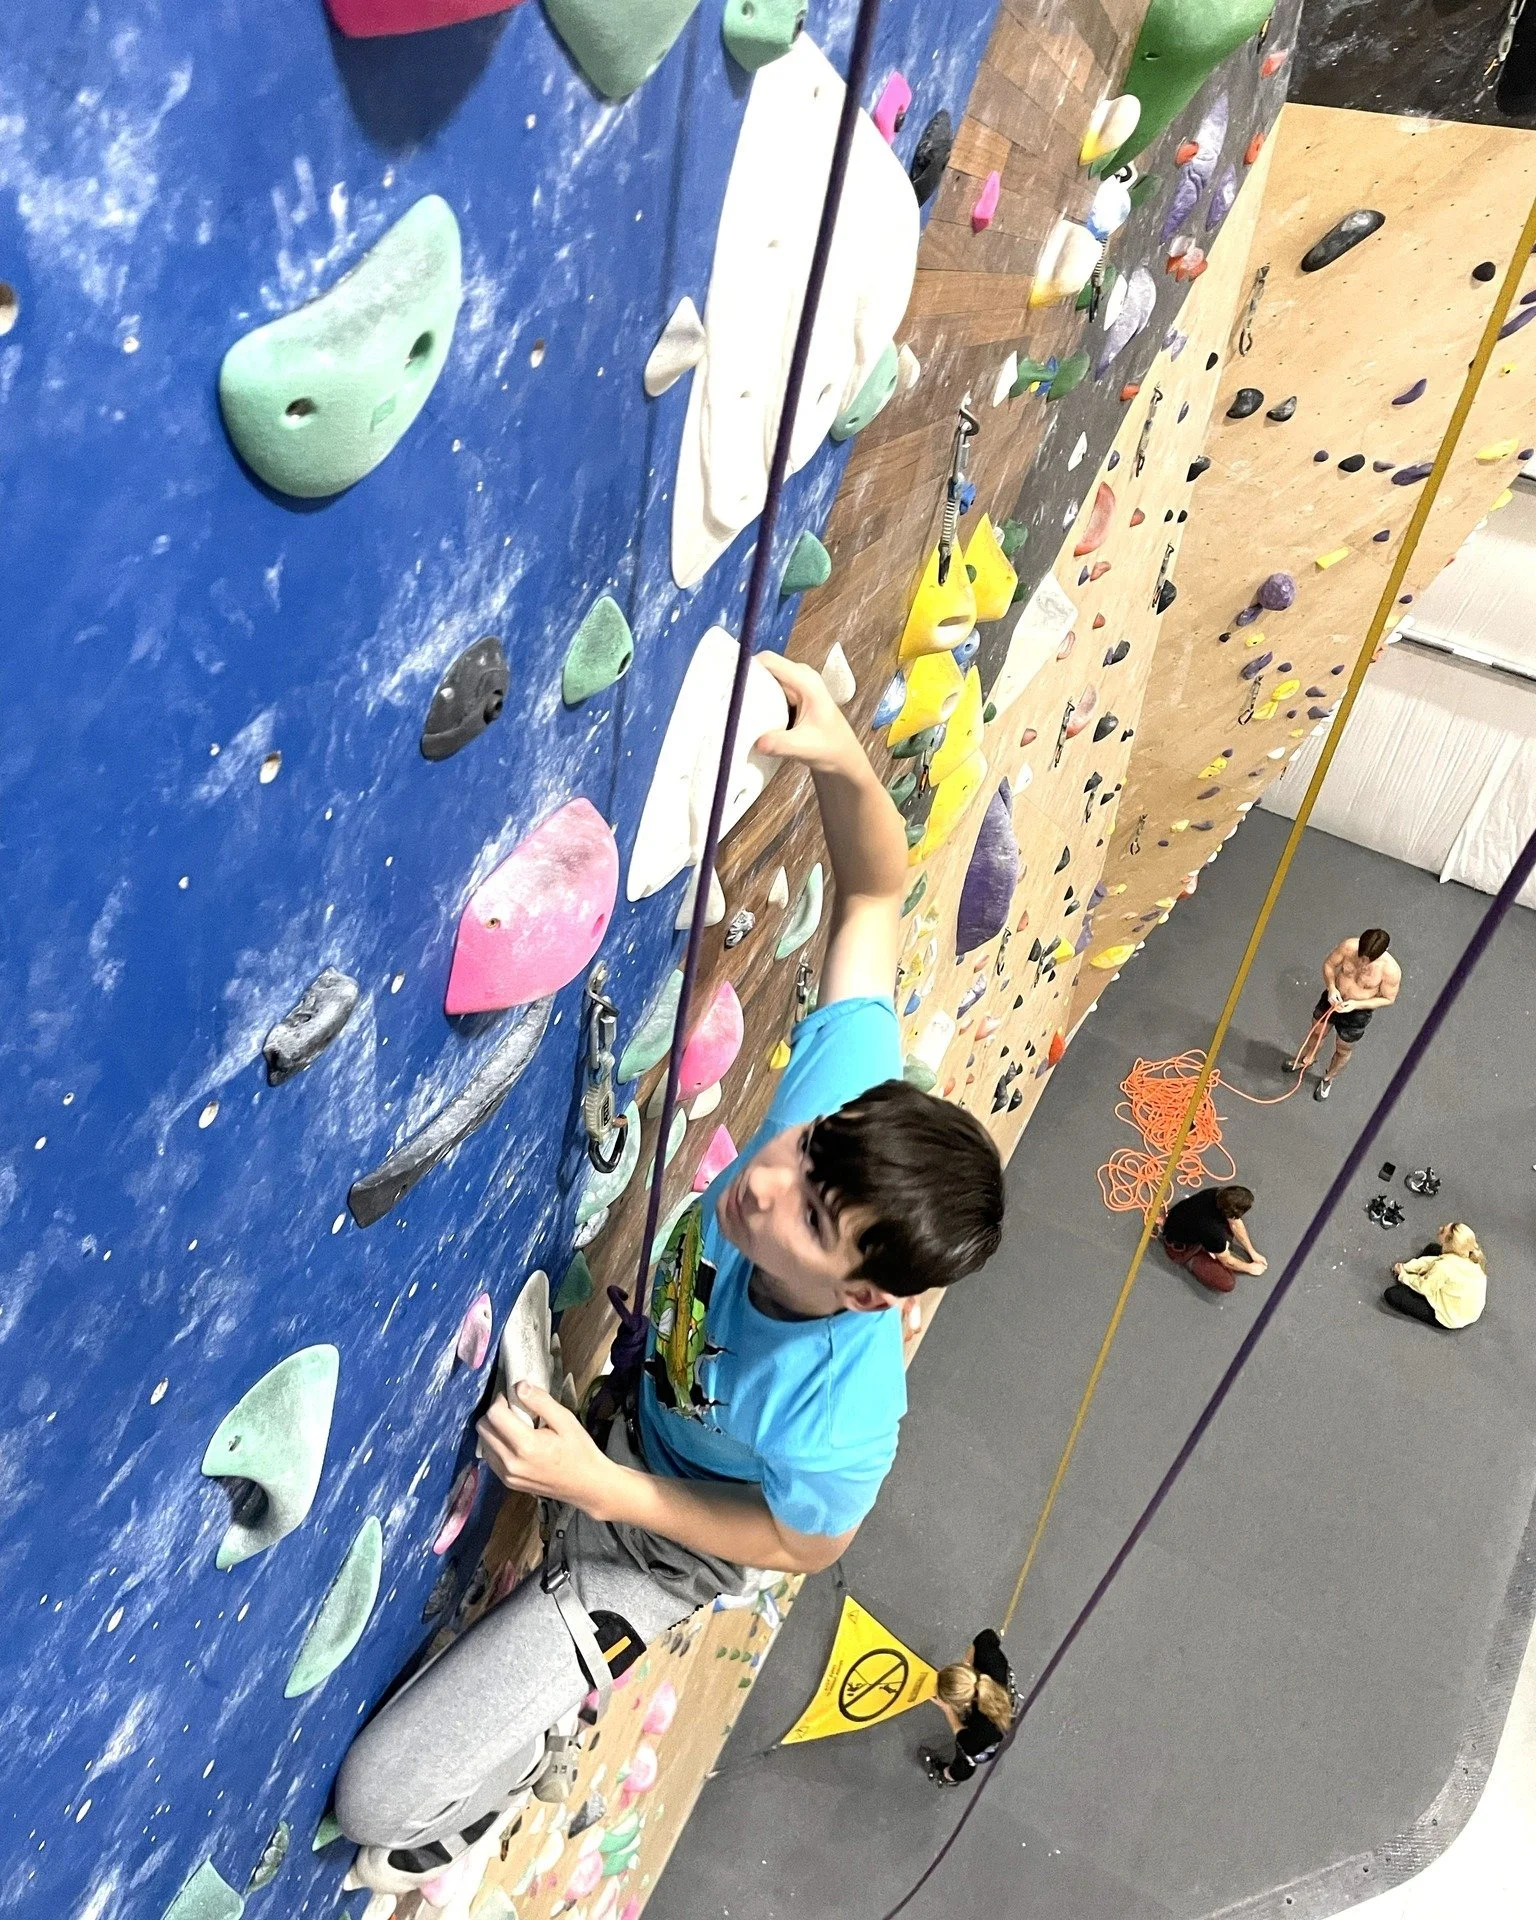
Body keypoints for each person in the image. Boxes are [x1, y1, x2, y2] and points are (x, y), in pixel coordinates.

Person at [334, 652, 1006, 1886]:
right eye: (804, 1152)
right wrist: (846, 757)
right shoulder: (846, 1113)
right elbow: (870, 898)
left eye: (811, 1216)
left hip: (662, 1545)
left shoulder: (844, 1415)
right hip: (633, 1409)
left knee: (381, 1803)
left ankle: (476, 1807)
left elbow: (795, 1547)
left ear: (863, 1293)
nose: (765, 1182)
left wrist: (600, 1490)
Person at [1289, 928, 1401, 1102]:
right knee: (1317, 1032)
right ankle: (1307, 1060)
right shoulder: (1348, 947)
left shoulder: (1391, 971)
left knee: (1343, 1049)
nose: (1363, 963)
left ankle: (1328, 1078)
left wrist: (1357, 1004)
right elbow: (1329, 965)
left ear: (1382, 953)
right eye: (1361, 956)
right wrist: (1331, 987)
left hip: (1357, 1014)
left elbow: (1388, 998)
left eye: (1369, 960)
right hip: (1332, 999)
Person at [921, 1628, 1018, 1787]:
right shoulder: (989, 1659)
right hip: (1007, 1705)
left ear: (962, 1704)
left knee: (965, 1761)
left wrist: (948, 1711)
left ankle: (949, 1776)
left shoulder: (983, 1729)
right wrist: (968, 1662)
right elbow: (986, 1636)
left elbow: (967, 1743)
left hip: (992, 1736)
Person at [1161, 1184, 1268, 1294]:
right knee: (1227, 1282)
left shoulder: (1216, 1193)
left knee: (1222, 1240)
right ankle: (1191, 1260)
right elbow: (1227, 1262)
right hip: (1182, 1249)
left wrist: (1252, 1252)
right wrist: (1250, 1268)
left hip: (1179, 1222)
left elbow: (1235, 1223)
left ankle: (1210, 1248)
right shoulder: (1214, 1233)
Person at [1384, 1223, 1487, 1329]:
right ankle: (1422, 1278)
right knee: (1433, 1248)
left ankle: (1413, 1285)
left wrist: (1403, 1275)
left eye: (1443, 1231)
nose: (1440, 1228)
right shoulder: (1470, 1257)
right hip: (1466, 1306)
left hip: (1452, 1317)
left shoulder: (1443, 1267)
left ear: (1450, 1242)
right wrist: (1407, 1267)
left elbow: (1424, 1287)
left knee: (1393, 1295)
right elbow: (1432, 1262)